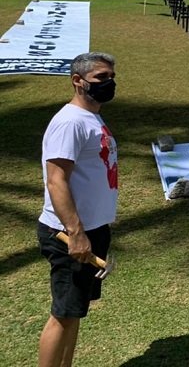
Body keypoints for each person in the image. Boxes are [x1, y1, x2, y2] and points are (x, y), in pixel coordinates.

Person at [36, 52, 119, 367]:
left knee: (75, 312)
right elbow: (56, 181)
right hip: (68, 234)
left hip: (91, 230)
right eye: (101, 78)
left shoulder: (91, 117)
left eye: (111, 77)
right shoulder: (69, 121)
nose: (108, 83)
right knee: (63, 314)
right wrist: (76, 233)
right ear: (77, 80)